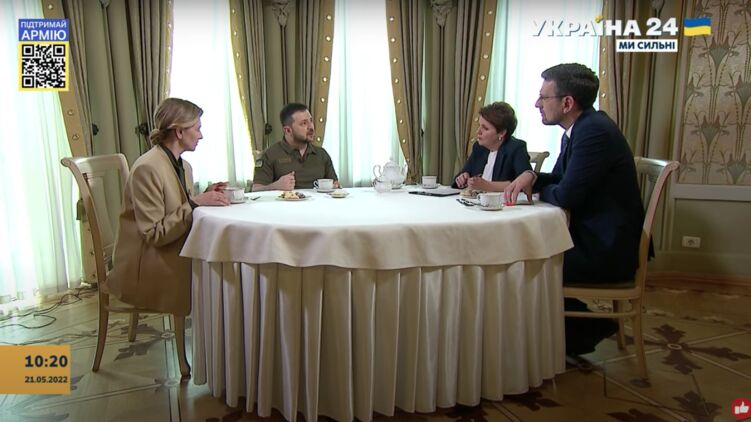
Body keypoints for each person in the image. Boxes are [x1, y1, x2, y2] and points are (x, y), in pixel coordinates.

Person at [504, 63, 644, 356]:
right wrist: (531, 176)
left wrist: (538, 188)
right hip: (594, 238)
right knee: (521, 254)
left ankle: (574, 333)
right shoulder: (582, 127)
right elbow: (559, 180)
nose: (537, 104)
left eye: (544, 97)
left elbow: (566, 194)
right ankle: (573, 332)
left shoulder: (593, 132)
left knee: (517, 262)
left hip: (605, 249)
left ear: (567, 103)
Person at [104, 98, 229, 317]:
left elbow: (177, 207)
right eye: (197, 129)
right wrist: (196, 203)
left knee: (221, 265)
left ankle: (217, 330)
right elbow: (154, 234)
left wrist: (203, 195)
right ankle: (219, 330)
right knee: (221, 274)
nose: (201, 135)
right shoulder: (148, 168)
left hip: (170, 247)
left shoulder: (184, 166)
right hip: (148, 262)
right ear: (179, 132)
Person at [252, 103, 339, 191]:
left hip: (318, 200)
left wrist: (336, 186)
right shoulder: (270, 155)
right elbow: (255, 189)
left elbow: (335, 185)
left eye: (311, 121)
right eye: (304, 123)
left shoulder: (322, 154)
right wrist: (276, 186)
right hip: (285, 200)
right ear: (288, 130)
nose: (311, 127)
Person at [452, 101, 532, 191]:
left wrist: (487, 185)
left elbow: (525, 183)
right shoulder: (479, 147)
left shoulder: (516, 148)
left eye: (485, 128)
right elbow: (465, 172)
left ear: (501, 133)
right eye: (479, 126)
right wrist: (463, 177)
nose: (478, 132)